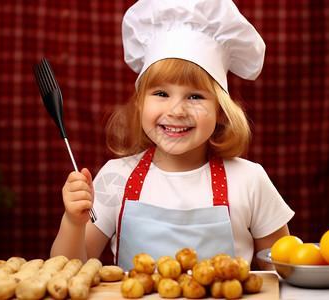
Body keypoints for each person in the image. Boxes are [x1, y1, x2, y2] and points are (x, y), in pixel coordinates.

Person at [50, 0, 294, 271]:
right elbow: (68, 271)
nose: (177, 110)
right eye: (161, 94)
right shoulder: (115, 178)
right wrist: (73, 222)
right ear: (140, 103)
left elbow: (282, 277)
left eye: (195, 96)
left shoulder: (250, 181)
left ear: (221, 111)